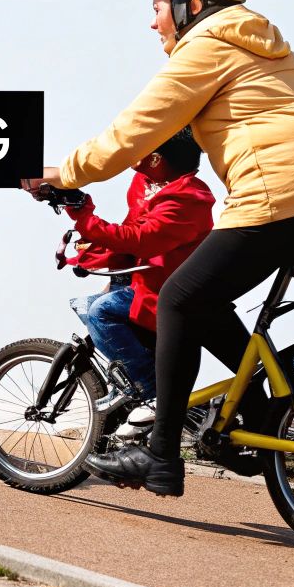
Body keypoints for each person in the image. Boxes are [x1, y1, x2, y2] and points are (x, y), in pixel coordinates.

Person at [23, 0, 294, 497]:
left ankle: (161, 454)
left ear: (192, 4)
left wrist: (62, 172)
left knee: (177, 299)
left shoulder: (207, 45)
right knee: (206, 303)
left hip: (281, 193)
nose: (153, 22)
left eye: (158, 7)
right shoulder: (272, 50)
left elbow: (133, 132)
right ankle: (261, 414)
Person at [64, 127, 215, 432]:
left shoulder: (190, 198)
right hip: (143, 281)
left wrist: (84, 216)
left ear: (156, 159)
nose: (134, 148)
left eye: (143, 144)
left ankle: (152, 392)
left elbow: (140, 239)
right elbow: (129, 233)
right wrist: (93, 260)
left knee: (101, 312)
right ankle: (133, 387)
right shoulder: (145, 183)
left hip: (167, 294)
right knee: (85, 305)